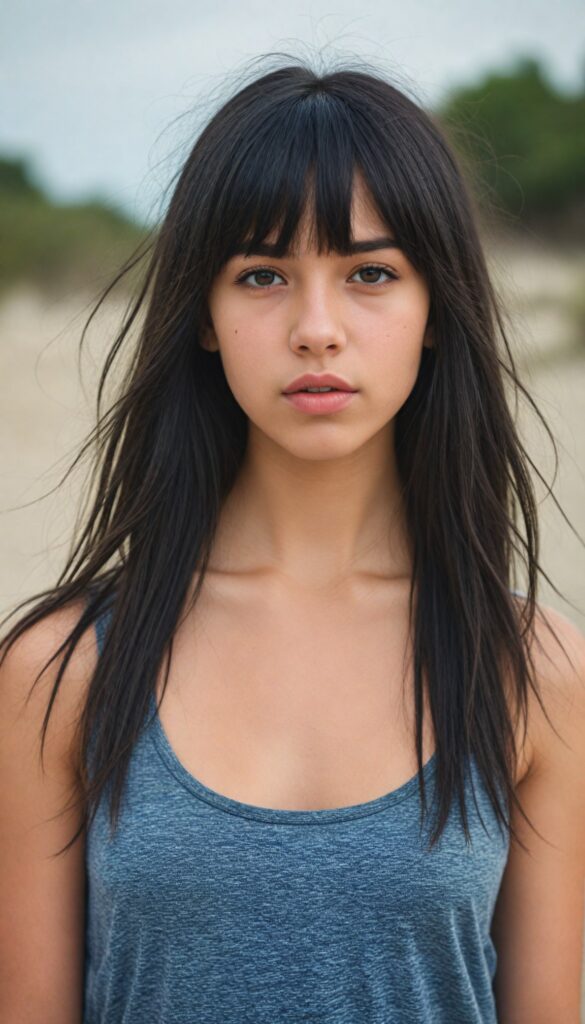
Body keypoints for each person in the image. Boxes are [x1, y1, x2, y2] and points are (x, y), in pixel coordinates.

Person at [1, 52, 584, 1024]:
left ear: (435, 310)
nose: (317, 328)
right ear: (204, 314)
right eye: (263, 274)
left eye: (370, 273)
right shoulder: (61, 671)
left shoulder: (536, 673)